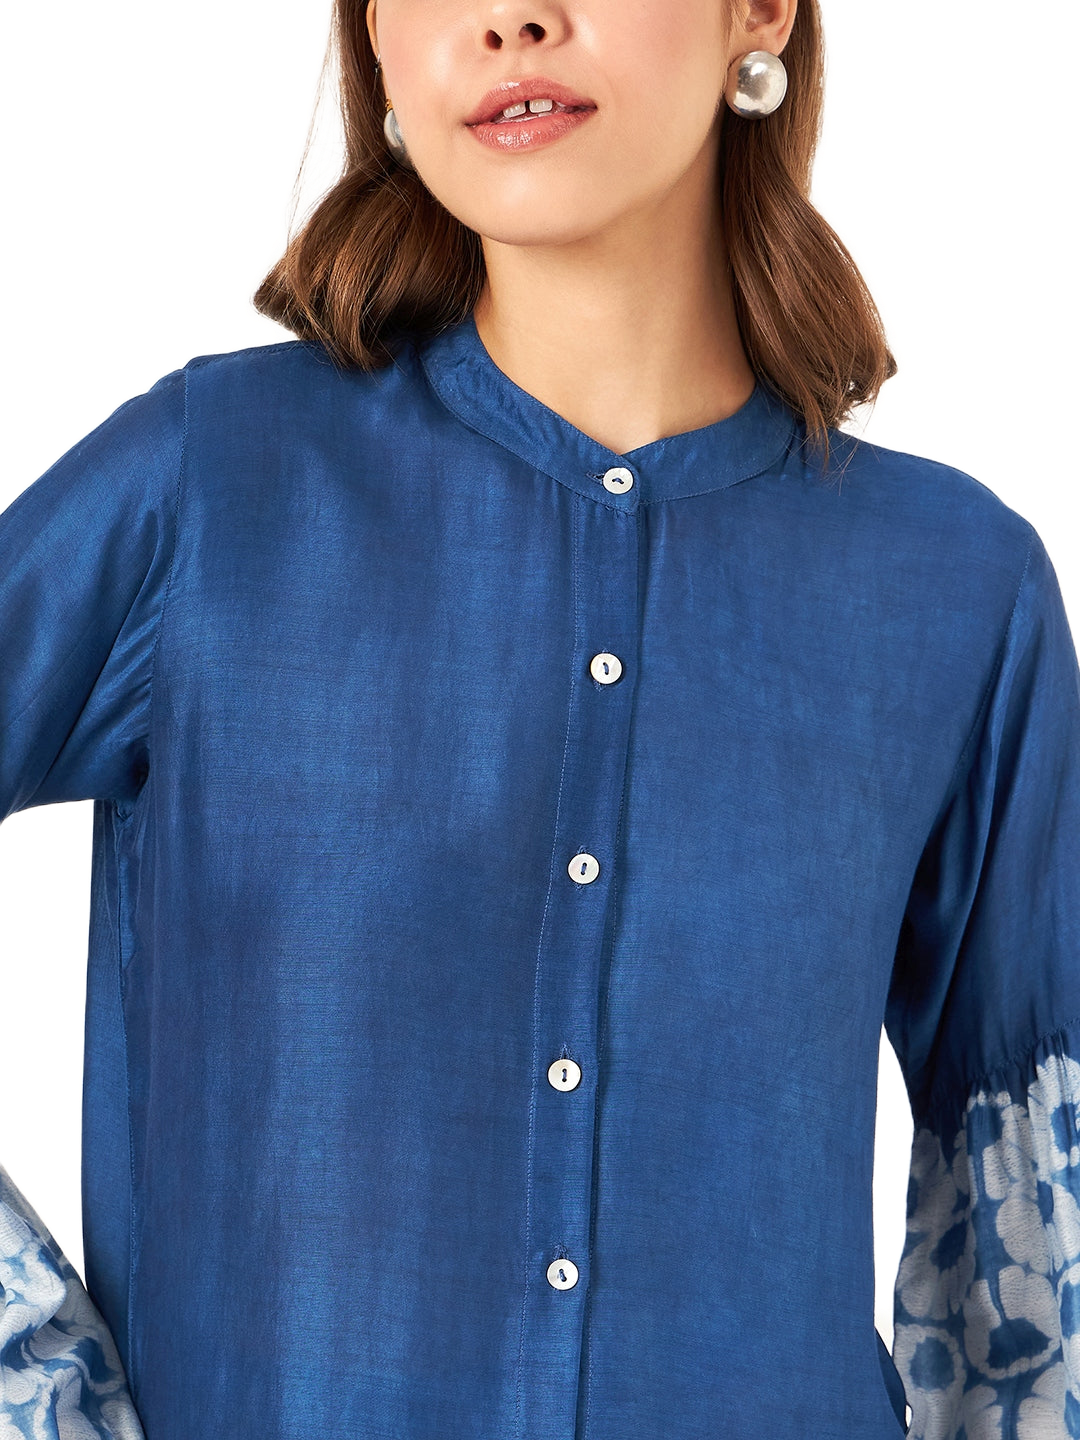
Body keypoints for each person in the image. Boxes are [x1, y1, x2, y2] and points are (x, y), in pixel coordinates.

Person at [1, 0, 1076, 1436]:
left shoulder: (957, 582)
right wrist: (37, 1372)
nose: (511, 19)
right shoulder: (208, 486)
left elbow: (1036, 1234)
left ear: (758, 13)